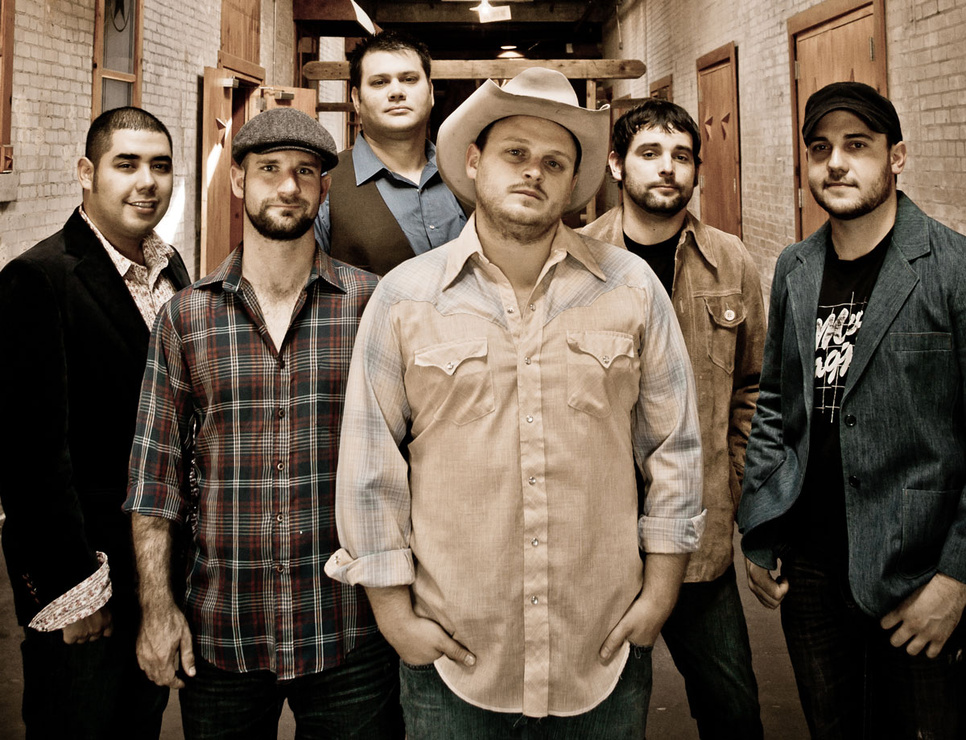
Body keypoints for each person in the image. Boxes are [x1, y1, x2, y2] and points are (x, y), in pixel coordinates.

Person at [326, 67, 706, 738]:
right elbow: (370, 465)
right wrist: (395, 618)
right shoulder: (406, 298)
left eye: (554, 162)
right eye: (515, 153)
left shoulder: (631, 289)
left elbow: (673, 447)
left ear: (573, 180)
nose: (534, 171)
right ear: (474, 162)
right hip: (454, 653)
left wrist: (660, 594)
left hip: (601, 646)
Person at [125, 108, 403, 739]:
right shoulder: (186, 318)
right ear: (238, 181)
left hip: (348, 628)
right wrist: (157, 607)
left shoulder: (373, 305)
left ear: (324, 188)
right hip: (223, 629)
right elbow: (153, 479)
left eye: (305, 172)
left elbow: (411, 458)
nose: (288, 186)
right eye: (270, 169)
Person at [738, 81, 966, 738]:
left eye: (857, 145)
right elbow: (775, 403)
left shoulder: (951, 268)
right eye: (820, 148)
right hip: (809, 568)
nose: (835, 163)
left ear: (897, 156)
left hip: (916, 567)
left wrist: (956, 579)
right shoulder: (796, 267)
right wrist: (760, 523)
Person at [0, 107, 189, 738]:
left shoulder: (170, 268)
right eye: (125, 164)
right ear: (87, 172)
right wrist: (71, 590)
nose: (147, 182)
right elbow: (28, 455)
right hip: (90, 579)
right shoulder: (39, 279)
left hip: (157, 572)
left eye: (160, 165)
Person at [582, 98, 765, 738]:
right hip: (599, 538)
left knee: (732, 708)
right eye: (650, 153)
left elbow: (754, 387)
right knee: (603, 712)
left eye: (682, 156)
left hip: (698, 536)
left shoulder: (731, 263)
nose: (668, 168)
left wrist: (735, 484)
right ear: (615, 164)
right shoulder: (578, 260)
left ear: (697, 171)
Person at [314, 30, 466, 275]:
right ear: (356, 99)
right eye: (379, 82)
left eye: (409, 79)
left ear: (430, 92)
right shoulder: (325, 186)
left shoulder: (467, 174)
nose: (396, 92)